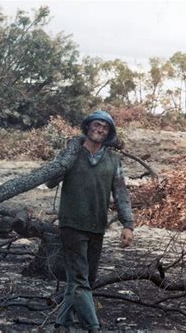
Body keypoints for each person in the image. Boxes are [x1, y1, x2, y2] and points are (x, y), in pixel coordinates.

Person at [47, 110, 134, 333]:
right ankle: (93, 328)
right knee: (80, 278)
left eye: (105, 127)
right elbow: (50, 181)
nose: (100, 129)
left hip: (97, 226)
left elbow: (121, 194)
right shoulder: (72, 153)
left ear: (109, 133)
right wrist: (63, 159)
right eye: (97, 124)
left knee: (84, 280)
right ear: (87, 127)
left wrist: (128, 225)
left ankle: (61, 324)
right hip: (71, 225)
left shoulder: (114, 160)